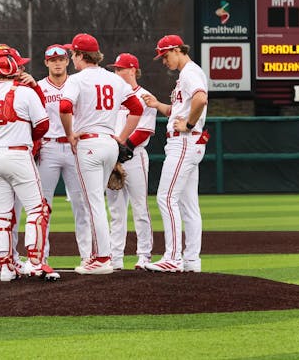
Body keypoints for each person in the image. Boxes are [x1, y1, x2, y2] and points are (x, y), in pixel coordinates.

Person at [0, 44, 60, 282]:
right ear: (11, 66)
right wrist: (25, 132)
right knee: (38, 210)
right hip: (19, 155)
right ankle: (37, 263)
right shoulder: (25, 92)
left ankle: (6, 268)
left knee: (2, 214)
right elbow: (43, 125)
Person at [59, 33, 143, 275]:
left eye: (72, 53)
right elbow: (136, 108)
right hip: (109, 143)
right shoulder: (114, 80)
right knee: (97, 201)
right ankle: (100, 255)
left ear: (80, 55)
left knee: (92, 202)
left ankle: (103, 259)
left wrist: (69, 134)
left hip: (89, 144)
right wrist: (121, 138)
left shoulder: (77, 80)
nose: (71, 58)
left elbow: (64, 108)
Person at [142, 35, 209, 273]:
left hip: (185, 141)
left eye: (166, 55)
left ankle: (172, 257)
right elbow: (178, 110)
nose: (164, 61)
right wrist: (157, 105)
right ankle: (191, 260)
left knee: (165, 197)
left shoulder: (190, 72)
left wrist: (189, 125)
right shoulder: (187, 74)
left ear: (178, 49)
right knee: (188, 205)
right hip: (190, 142)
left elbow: (201, 99)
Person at [36, 44, 91, 266]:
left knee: (81, 203)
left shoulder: (78, 84)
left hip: (73, 147)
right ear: (46, 62)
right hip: (48, 147)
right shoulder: (38, 87)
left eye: (61, 58)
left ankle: (87, 256)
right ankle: (41, 256)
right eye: (53, 59)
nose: (57, 62)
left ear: (68, 61)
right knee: (43, 204)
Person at [106, 53, 156, 270]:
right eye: (115, 69)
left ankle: (144, 255)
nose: (116, 73)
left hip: (134, 157)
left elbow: (144, 131)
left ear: (133, 70)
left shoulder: (145, 96)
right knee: (116, 211)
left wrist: (120, 152)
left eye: (121, 69)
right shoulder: (113, 97)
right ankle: (115, 257)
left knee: (140, 208)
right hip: (112, 157)